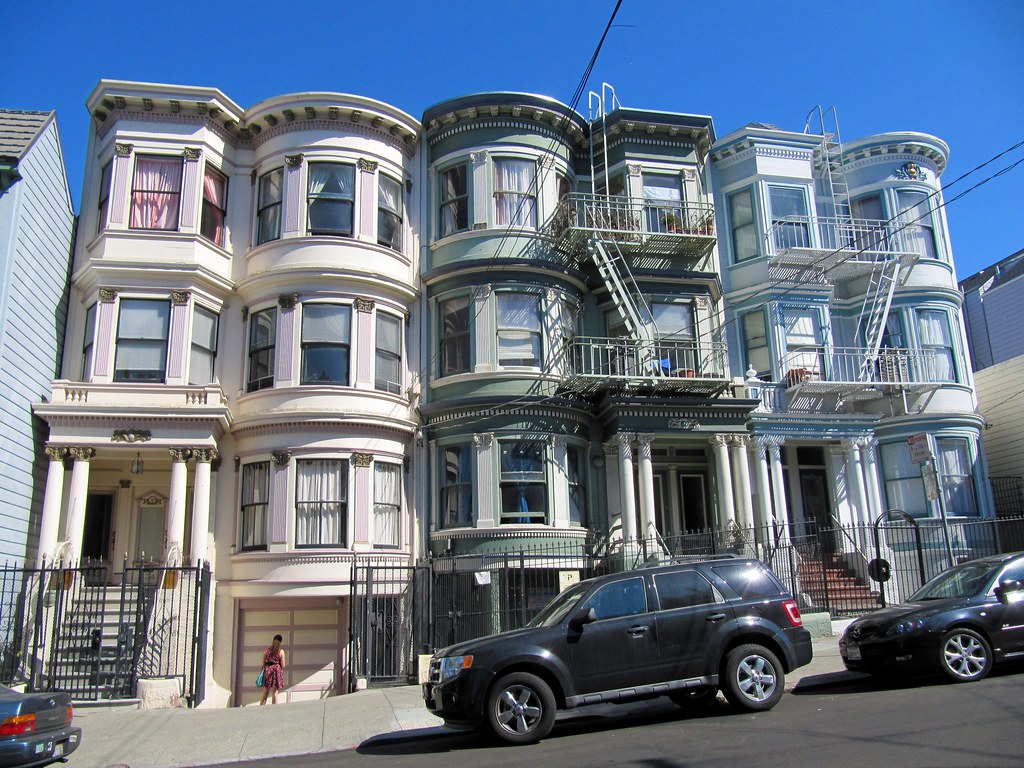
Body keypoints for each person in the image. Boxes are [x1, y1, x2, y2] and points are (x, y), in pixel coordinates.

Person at [259, 634, 286, 705]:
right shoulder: (281, 651)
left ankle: (261, 707)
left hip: (268, 670)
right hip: (276, 671)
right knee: (275, 691)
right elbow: (283, 665)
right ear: (280, 642)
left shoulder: (267, 651)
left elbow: (263, 662)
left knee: (266, 691)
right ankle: (274, 709)